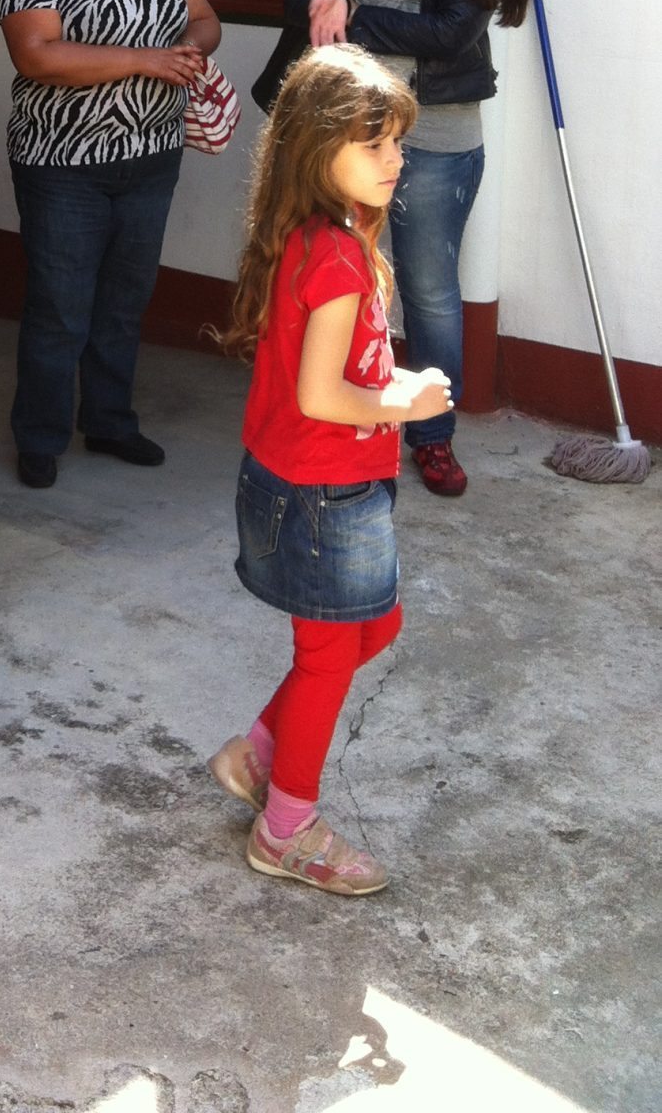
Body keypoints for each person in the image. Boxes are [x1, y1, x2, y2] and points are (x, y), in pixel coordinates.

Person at [208, 45, 452, 896]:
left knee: (369, 632)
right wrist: (405, 399)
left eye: (397, 143)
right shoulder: (338, 256)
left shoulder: (322, 237)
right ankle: (285, 828)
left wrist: (387, 392)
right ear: (317, 151)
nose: (395, 160)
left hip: (313, 482)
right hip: (324, 491)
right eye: (373, 144)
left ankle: (258, 755)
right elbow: (322, 395)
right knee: (328, 656)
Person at [284, 0, 543, 498]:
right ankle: (342, 408)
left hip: (435, 131)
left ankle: (431, 433)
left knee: (428, 292)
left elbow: (455, 32)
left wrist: (351, 7)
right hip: (345, 126)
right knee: (335, 277)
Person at [0, 0, 221, 488]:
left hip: (152, 154)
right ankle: (39, 434)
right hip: (63, 163)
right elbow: (36, 55)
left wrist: (189, 50)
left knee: (125, 300)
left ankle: (109, 420)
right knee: (61, 306)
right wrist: (146, 59)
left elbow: (205, 18)